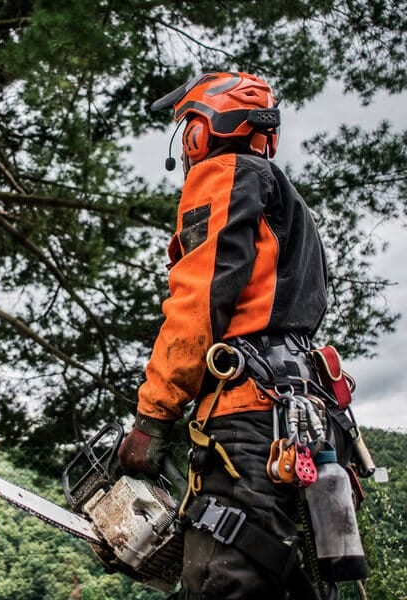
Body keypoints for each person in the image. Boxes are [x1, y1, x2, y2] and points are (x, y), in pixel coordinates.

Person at [118, 72, 354, 600]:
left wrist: (152, 416)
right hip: (305, 420)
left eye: (188, 130)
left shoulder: (223, 175)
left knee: (222, 583)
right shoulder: (288, 201)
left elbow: (197, 305)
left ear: (204, 129)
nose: (186, 145)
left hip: (248, 421)